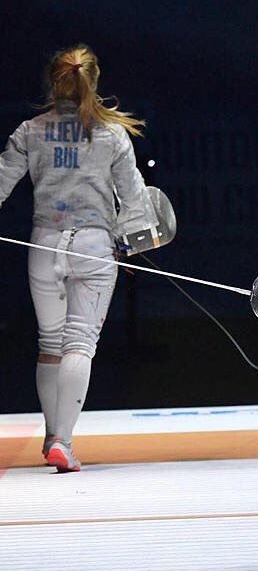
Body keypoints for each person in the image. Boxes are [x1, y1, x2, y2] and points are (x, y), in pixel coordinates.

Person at [0, 44, 157, 472]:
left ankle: (54, 436)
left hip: (43, 244)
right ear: (93, 80)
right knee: (78, 344)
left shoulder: (30, 130)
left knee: (50, 344)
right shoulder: (112, 135)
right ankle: (63, 442)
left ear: (54, 81)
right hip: (93, 247)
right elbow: (136, 203)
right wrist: (132, 241)